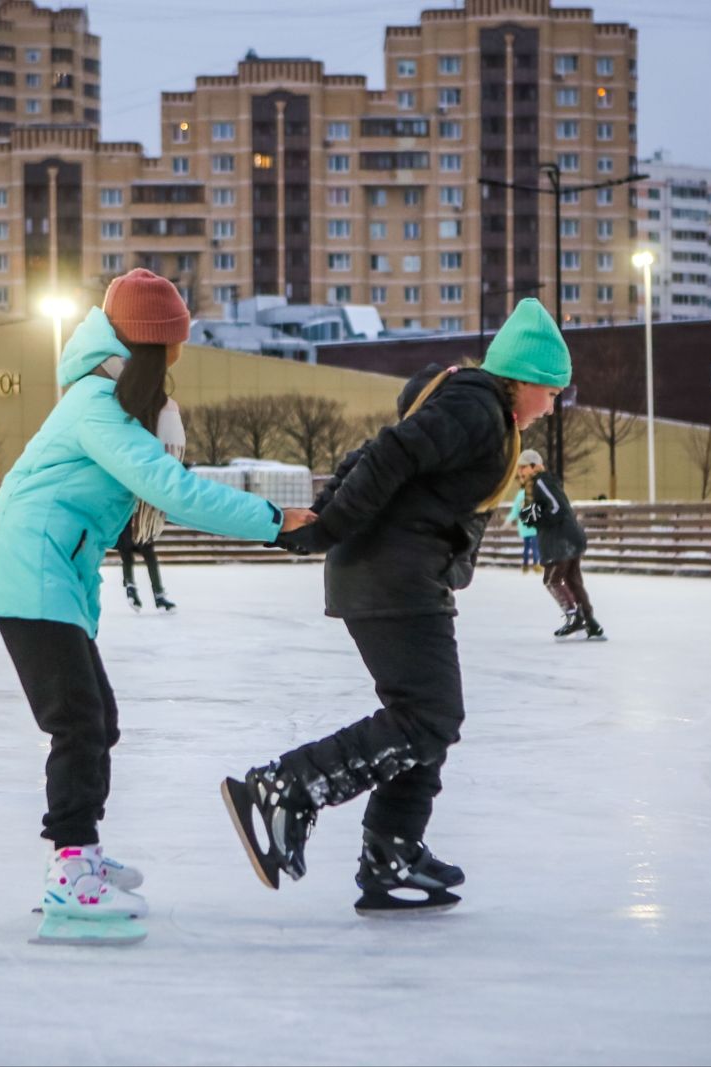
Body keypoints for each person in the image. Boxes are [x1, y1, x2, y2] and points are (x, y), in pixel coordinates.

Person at [0, 268, 315, 928]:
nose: (181, 355)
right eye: (176, 342)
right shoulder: (97, 406)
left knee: (101, 720)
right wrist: (273, 520)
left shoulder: (106, 400)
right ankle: (70, 867)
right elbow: (174, 488)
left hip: (49, 571)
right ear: (155, 345)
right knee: (78, 722)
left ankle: (79, 852)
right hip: (29, 570)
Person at [222, 297, 570, 915]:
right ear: (527, 380)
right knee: (430, 716)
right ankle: (285, 787)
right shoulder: (476, 408)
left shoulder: (478, 408)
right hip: (391, 577)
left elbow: (387, 464)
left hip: (400, 575)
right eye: (552, 389)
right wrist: (327, 529)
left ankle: (393, 852)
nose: (554, 404)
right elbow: (390, 454)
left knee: (425, 716)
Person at [521, 455, 602, 640]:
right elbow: (552, 507)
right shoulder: (545, 483)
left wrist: (538, 518)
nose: (520, 472)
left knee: (551, 580)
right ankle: (590, 623)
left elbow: (557, 508)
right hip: (571, 537)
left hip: (562, 540)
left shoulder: (540, 481)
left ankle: (575, 617)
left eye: (522, 467)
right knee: (573, 581)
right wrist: (535, 514)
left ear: (534, 466)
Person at [115, 518, 175, 613]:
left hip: (123, 524)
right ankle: (158, 595)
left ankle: (130, 587)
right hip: (138, 524)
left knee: (127, 557)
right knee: (149, 557)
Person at [502, 451, 542, 574]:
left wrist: (509, 520)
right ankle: (536, 564)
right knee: (535, 547)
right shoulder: (533, 493)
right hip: (534, 527)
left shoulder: (521, 494)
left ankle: (526, 565)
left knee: (527, 547)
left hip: (525, 527)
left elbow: (515, 511)